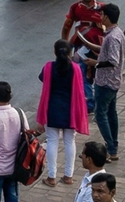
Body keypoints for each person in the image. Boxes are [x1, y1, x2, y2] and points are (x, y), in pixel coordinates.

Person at [36, 40, 88, 186]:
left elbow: (42, 79)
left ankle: (51, 177)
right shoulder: (76, 68)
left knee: (52, 141)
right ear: (70, 53)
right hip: (71, 110)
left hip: (52, 108)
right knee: (69, 141)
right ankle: (68, 176)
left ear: (54, 51)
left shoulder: (48, 67)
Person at [86, 3, 125, 157]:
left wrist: (95, 63)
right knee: (111, 113)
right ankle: (113, 144)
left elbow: (113, 60)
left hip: (106, 82)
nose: (100, 17)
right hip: (113, 81)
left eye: (102, 15)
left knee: (100, 114)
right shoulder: (117, 33)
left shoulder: (112, 37)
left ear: (107, 17)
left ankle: (111, 147)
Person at [64, 0, 107, 112]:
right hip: (81, 45)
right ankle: (89, 104)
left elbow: (110, 25)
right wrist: (65, 43)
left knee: (98, 74)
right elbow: (67, 25)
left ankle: (98, 101)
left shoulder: (102, 7)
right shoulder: (75, 7)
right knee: (82, 74)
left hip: (99, 47)